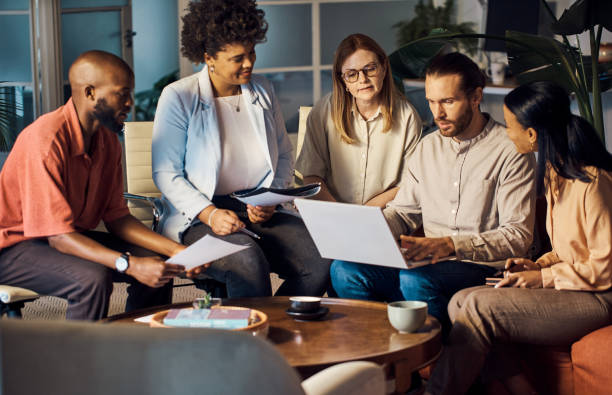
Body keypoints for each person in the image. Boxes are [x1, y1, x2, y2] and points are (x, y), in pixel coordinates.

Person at [424, 81, 612, 395]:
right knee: (460, 302)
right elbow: (571, 249)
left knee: (476, 310)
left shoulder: (592, 183)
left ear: (532, 135)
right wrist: (536, 265)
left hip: (599, 298)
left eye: (511, 126)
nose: (506, 133)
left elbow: (605, 268)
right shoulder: (555, 173)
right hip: (576, 288)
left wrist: (544, 278)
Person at [331, 52, 536, 332]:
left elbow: (517, 237)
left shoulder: (511, 150)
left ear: (476, 97)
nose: (437, 114)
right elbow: (403, 213)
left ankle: (436, 363)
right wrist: (370, 229)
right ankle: (383, 356)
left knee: (415, 280)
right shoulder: (427, 148)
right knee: (344, 271)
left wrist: (450, 244)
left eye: (448, 102)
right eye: (431, 102)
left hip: (481, 267)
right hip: (425, 265)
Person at [0, 50, 209, 320]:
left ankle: (140, 347)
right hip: (13, 247)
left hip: (65, 237)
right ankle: (79, 361)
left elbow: (117, 217)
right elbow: (59, 237)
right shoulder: (46, 140)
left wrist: (176, 251)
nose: (130, 103)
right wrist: (129, 264)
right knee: (91, 279)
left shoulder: (107, 142)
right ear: (90, 93)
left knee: (161, 265)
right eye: (122, 94)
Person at [152, 0, 330, 297]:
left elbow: (285, 154)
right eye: (237, 58)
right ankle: (253, 337)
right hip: (200, 214)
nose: (249, 63)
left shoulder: (263, 90)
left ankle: (275, 325)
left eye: (251, 53)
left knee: (322, 257)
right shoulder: (179, 97)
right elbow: (165, 173)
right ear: (209, 58)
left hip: (258, 208)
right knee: (247, 261)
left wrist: (271, 198)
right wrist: (209, 214)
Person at [296, 33, 421, 206]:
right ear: (343, 80)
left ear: (384, 68)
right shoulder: (322, 112)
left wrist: (364, 213)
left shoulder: (408, 116)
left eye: (370, 69)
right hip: (331, 212)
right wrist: (339, 215)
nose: (363, 79)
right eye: (352, 74)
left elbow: (409, 183)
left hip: (383, 213)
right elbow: (311, 175)